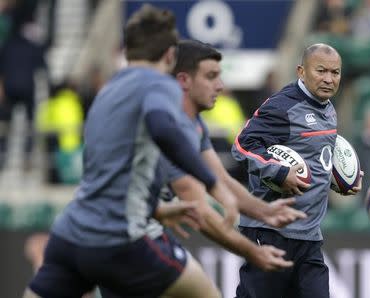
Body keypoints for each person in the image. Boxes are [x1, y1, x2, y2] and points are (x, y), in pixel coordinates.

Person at [23, 4, 242, 298]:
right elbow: (174, 155)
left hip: (84, 223)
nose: (219, 86)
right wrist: (248, 244)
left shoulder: (110, 93)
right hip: (128, 235)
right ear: (169, 58)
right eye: (212, 77)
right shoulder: (160, 89)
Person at [160, 39, 307, 270]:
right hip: (118, 233)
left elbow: (221, 180)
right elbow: (199, 208)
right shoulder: (170, 126)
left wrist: (265, 212)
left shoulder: (194, 122)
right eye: (211, 76)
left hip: (138, 230)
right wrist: (253, 252)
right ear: (184, 80)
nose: (220, 85)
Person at [231, 43, 363, 298]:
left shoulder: (328, 108)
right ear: (301, 71)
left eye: (335, 73)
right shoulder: (282, 107)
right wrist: (279, 173)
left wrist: (341, 180)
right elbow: (242, 146)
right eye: (321, 71)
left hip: (309, 237)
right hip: (270, 232)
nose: (328, 79)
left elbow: (318, 156)